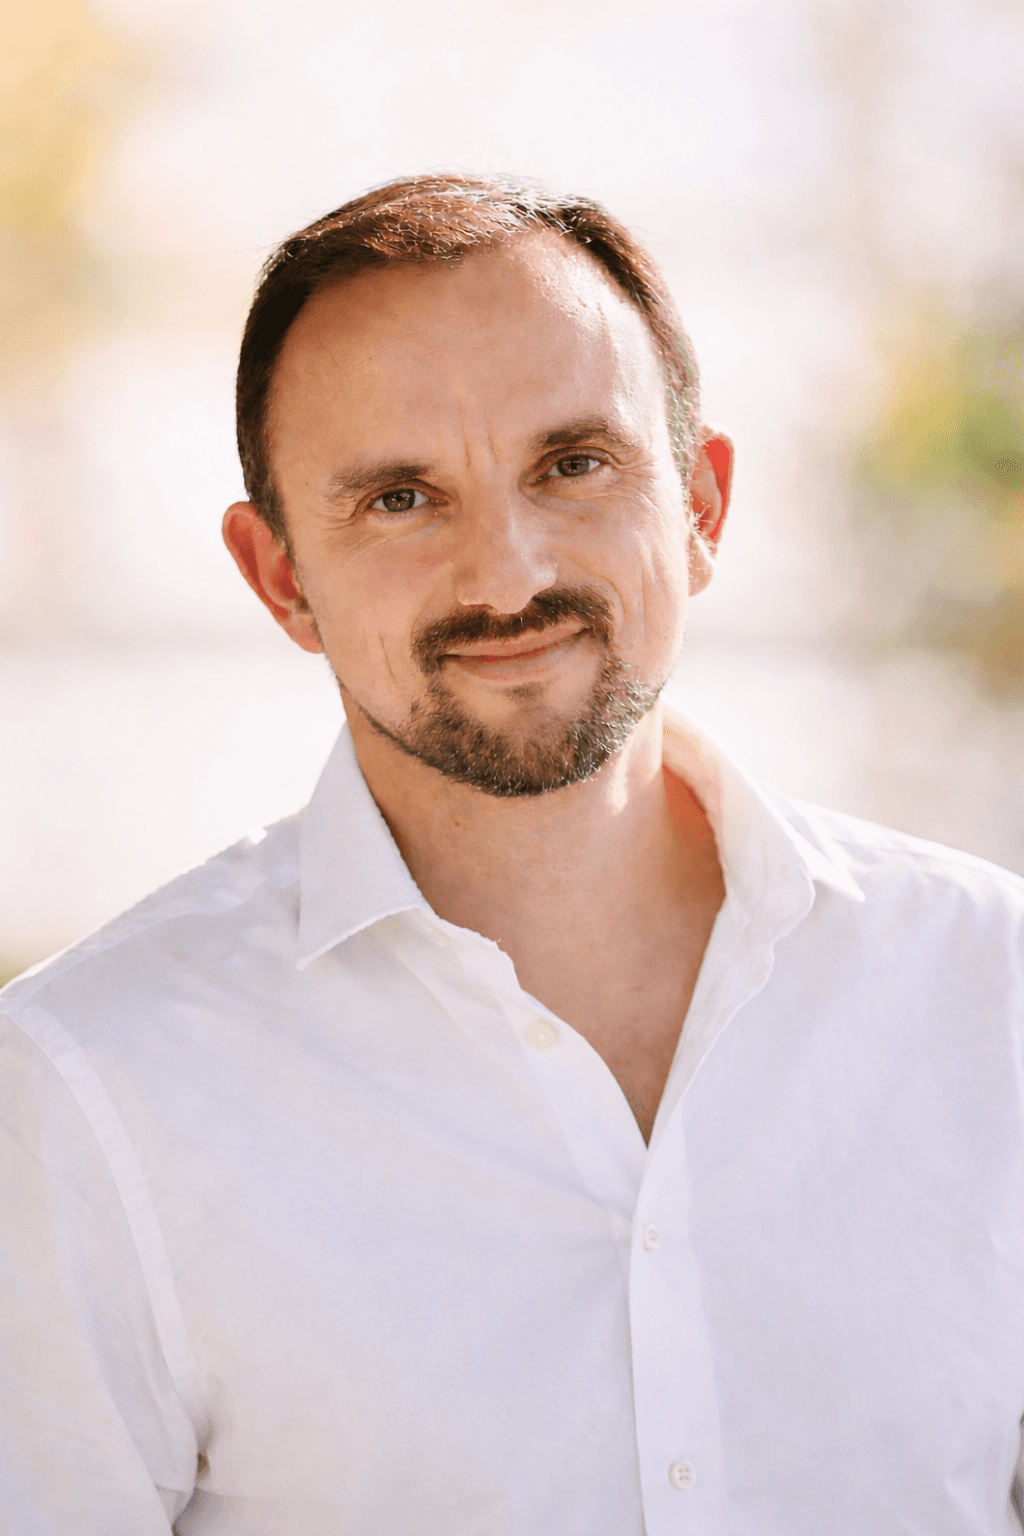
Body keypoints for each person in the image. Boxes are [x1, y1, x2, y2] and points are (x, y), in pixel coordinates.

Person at [1, 173, 1022, 1536]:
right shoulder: (80, 1097)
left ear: (703, 506)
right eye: (402, 498)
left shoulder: (988, 992)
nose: (506, 572)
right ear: (281, 578)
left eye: (574, 463)